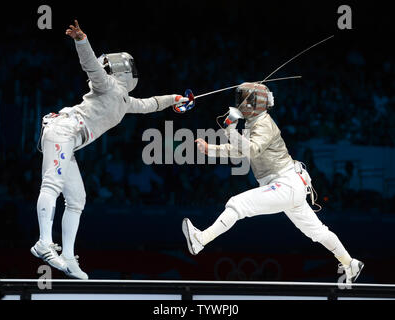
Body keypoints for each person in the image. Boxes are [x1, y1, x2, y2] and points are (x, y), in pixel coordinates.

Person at [31, 20, 189, 279]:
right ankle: (44, 243)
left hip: (70, 141)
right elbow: (91, 66)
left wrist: (174, 100)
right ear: (123, 70)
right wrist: (82, 41)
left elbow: (149, 104)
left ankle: (69, 257)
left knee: (77, 200)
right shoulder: (107, 84)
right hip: (63, 131)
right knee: (52, 185)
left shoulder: (123, 100)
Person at [184, 82, 364, 284]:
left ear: (254, 103)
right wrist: (211, 149)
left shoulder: (265, 124)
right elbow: (242, 150)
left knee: (237, 203)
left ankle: (201, 240)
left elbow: (251, 149)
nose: (239, 104)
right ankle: (350, 263)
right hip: (290, 185)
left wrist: (231, 130)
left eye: (243, 99)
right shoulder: (254, 124)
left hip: (285, 184)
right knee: (318, 232)